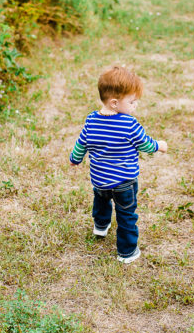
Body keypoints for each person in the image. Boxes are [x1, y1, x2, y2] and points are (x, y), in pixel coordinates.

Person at [69, 65, 168, 263]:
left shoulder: (91, 120)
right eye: (132, 102)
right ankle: (127, 252)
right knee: (126, 216)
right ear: (114, 103)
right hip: (124, 182)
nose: (135, 106)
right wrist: (159, 146)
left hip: (100, 180)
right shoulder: (129, 124)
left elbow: (82, 143)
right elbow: (145, 144)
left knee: (101, 201)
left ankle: (100, 225)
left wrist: (75, 158)